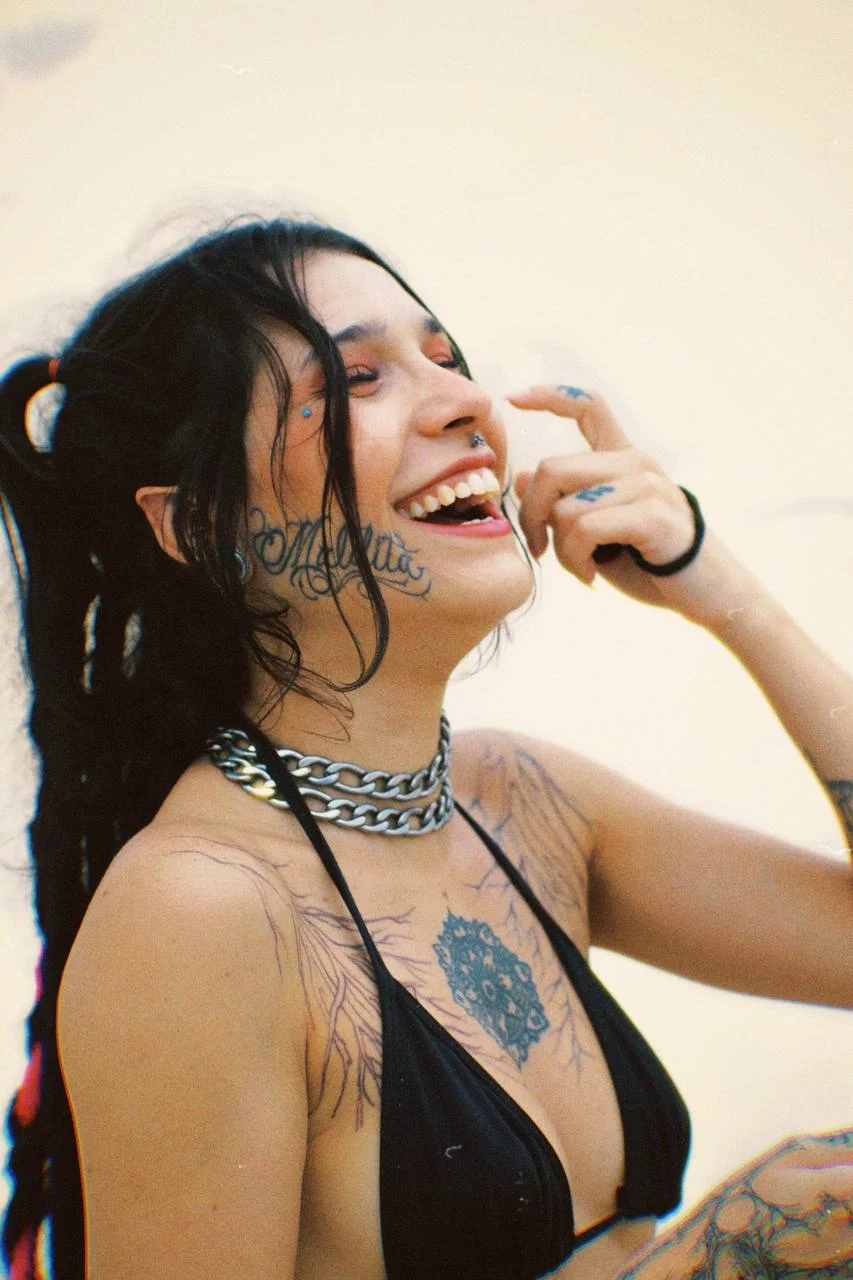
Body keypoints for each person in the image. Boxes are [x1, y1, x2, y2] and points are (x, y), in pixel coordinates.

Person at [0, 218, 850, 1280]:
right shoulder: (202, 911)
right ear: (206, 525)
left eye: (446, 357)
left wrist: (723, 593)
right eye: (356, 380)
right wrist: (710, 1259)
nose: (465, 405)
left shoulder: (523, 801)